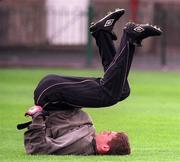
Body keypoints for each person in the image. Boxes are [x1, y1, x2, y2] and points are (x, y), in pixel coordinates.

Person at [21, 8, 162, 155]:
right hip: (59, 98)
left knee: (109, 95)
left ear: (104, 148)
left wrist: (37, 118)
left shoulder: (81, 145)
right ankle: (103, 33)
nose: (107, 131)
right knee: (122, 91)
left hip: (52, 96)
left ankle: (129, 36)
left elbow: (38, 149)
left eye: (109, 135)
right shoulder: (90, 138)